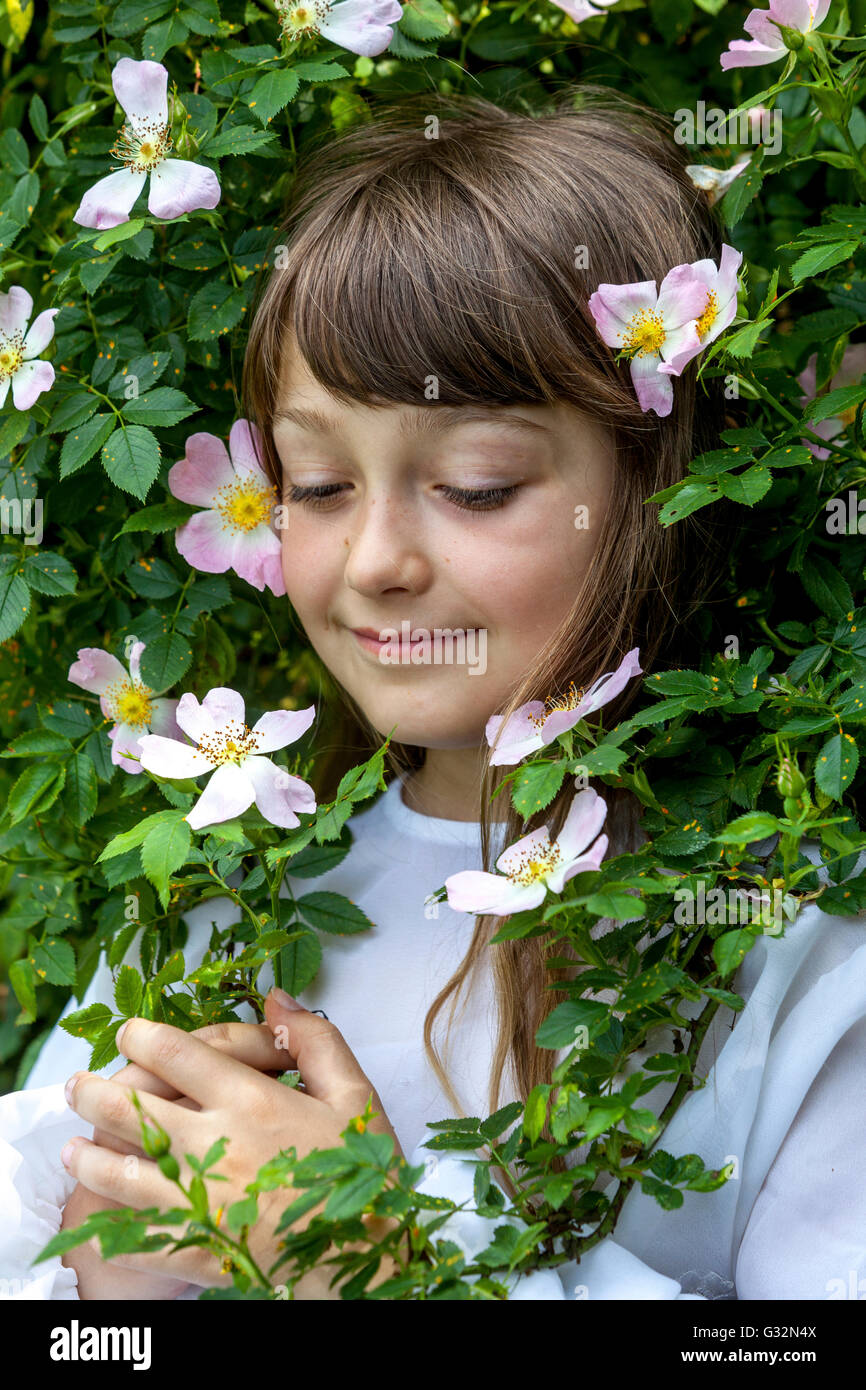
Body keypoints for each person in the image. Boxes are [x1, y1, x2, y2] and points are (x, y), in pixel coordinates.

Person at [2, 88, 864, 1302]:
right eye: (317, 482)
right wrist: (108, 1283)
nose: (373, 563)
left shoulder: (784, 945)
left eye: (473, 484)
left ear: (658, 484)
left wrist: (374, 1262)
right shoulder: (223, 898)